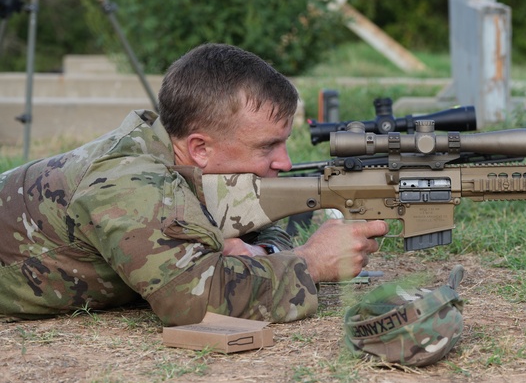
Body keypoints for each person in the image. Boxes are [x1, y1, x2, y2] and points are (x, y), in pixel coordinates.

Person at [0, 43, 387, 326]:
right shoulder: (129, 184)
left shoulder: (190, 166)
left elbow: (262, 228)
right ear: (200, 148)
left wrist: (259, 248)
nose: (284, 162)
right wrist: (312, 262)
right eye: (268, 146)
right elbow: (195, 301)